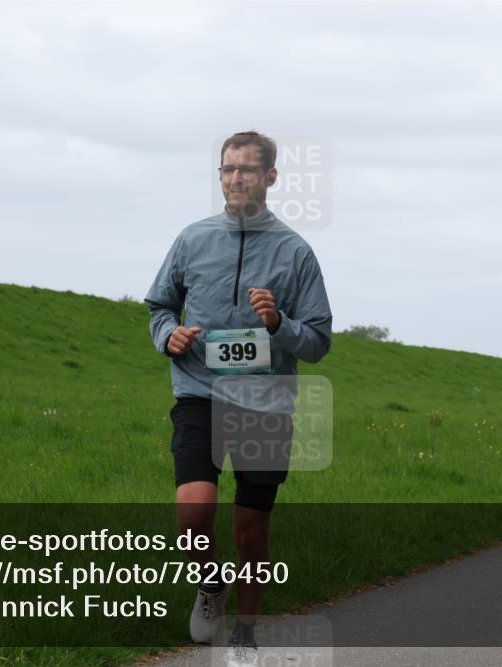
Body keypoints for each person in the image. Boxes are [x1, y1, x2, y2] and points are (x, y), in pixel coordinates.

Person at [145, 130, 332, 665]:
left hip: (265, 402)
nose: (234, 179)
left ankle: (245, 633)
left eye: (246, 170)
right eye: (226, 170)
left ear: (271, 177)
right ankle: (210, 586)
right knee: (192, 509)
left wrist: (277, 323)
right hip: (199, 390)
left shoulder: (296, 253)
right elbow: (160, 305)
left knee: (250, 530)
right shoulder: (192, 239)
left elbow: (318, 341)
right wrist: (168, 337)